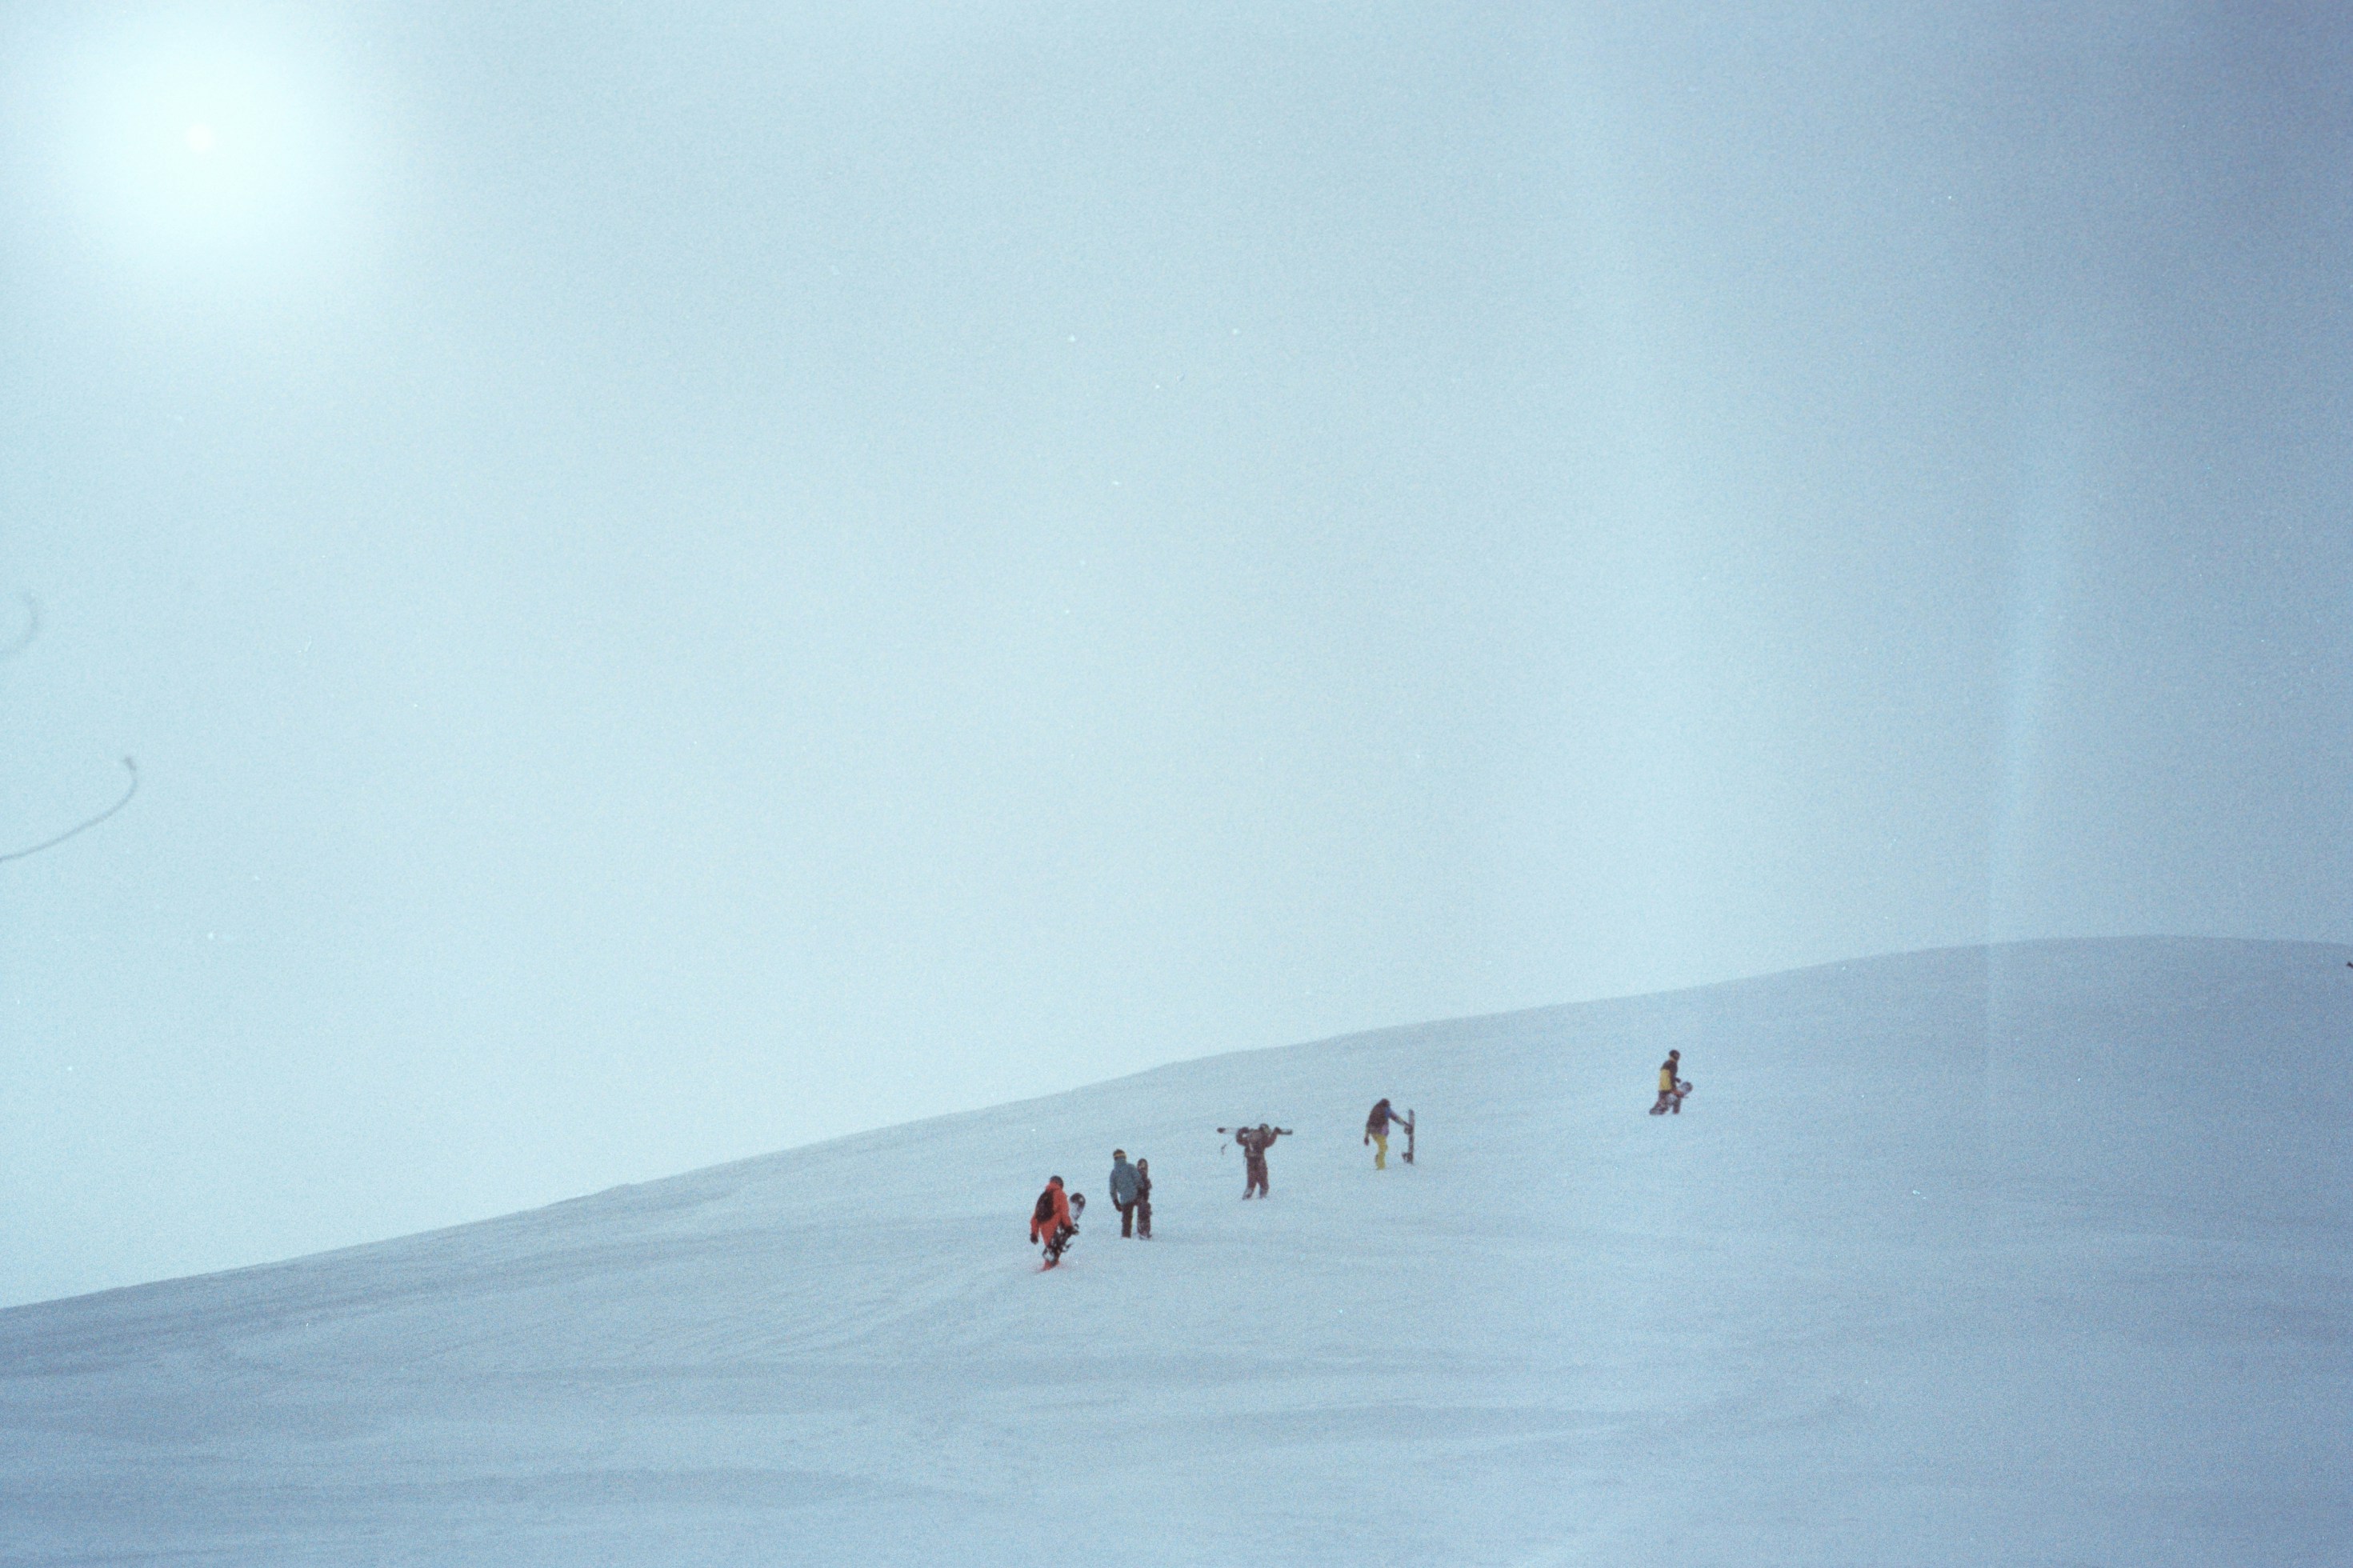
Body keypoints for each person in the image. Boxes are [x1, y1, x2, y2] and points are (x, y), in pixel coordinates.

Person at [1234, 1123, 1290, 1198]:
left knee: (1251, 1180)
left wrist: (1240, 1132)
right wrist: (1275, 1133)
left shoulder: (1249, 1136)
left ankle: (1248, 1192)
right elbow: (1270, 1142)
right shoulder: (1263, 1136)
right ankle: (1263, 1196)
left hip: (1250, 1161)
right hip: (1260, 1161)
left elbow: (1239, 1140)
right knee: (1263, 1180)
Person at [1030, 1175, 1076, 1262]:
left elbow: (1035, 1218)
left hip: (1043, 1228)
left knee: (1051, 1252)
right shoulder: (1060, 1194)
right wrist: (1068, 1226)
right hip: (1055, 1225)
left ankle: (1048, 1270)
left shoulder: (1043, 1196)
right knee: (1054, 1251)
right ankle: (1053, 1272)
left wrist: (1034, 1234)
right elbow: (1064, 1212)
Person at [1109, 1150, 1140, 1238]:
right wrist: (1141, 1190)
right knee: (1142, 1211)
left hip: (1125, 1200)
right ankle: (1143, 1229)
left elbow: (1112, 1190)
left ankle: (1126, 1237)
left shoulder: (1114, 1173)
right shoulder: (1130, 1167)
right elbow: (1138, 1180)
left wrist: (1116, 1202)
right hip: (1136, 1196)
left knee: (1127, 1220)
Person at [1364, 1098, 1400, 1169]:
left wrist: (1366, 1136)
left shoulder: (1375, 1110)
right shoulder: (1385, 1110)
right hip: (1380, 1133)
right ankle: (1380, 1167)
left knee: (1384, 1147)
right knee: (1382, 1149)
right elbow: (1395, 1118)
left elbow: (1368, 1123)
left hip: (1375, 1133)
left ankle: (1378, 1158)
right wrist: (1405, 1125)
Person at [1651, 1050, 1686, 1115]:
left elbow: (1666, 1075)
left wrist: (1676, 1079)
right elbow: (1671, 1077)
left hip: (1662, 1086)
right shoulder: (1673, 1064)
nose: (1679, 1058)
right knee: (1677, 1098)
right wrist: (1674, 1089)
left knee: (1662, 1101)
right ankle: (1676, 1115)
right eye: (1677, 1056)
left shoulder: (1666, 1063)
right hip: (1669, 1086)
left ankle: (1656, 1110)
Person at [1133, 1158, 1153, 1239]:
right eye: (1141, 1168)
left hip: (1141, 1200)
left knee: (1145, 1207)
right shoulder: (1136, 1179)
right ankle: (1143, 1230)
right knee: (1144, 1207)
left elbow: (1146, 1192)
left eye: (1144, 1168)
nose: (1143, 1170)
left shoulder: (1146, 1180)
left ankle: (1145, 1229)